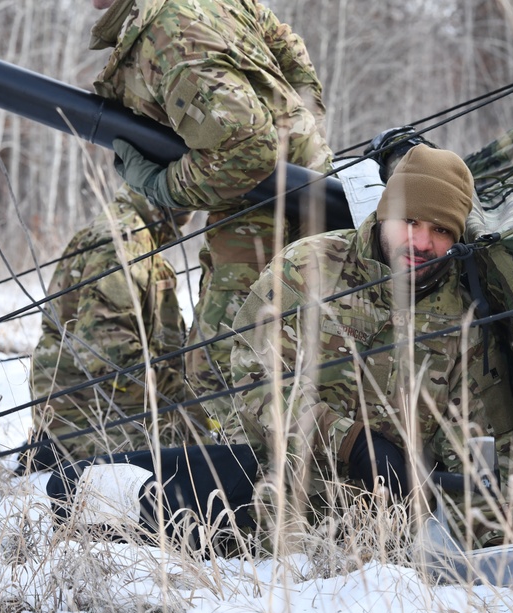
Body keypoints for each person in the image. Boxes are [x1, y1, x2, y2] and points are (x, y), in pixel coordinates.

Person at [227, 145, 513, 547]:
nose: (421, 242)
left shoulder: (462, 322)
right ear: (385, 213)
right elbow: (252, 381)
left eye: (441, 230)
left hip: (382, 532)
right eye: (410, 221)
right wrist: (352, 442)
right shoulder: (307, 266)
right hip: (267, 493)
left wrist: (490, 545)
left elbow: (479, 454)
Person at [87, 0, 333, 429]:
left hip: (264, 208)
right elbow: (287, 48)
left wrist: (165, 186)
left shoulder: (166, 34)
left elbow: (249, 147)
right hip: (276, 195)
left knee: (220, 367)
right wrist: (301, 131)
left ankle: (257, 489)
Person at [19, 186, 194, 473]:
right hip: (90, 411)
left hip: (91, 403)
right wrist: (185, 398)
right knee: (196, 462)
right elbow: (110, 356)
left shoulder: (132, 228)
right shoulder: (125, 241)